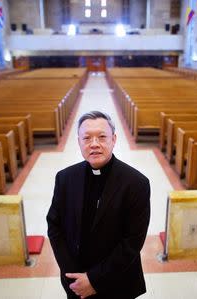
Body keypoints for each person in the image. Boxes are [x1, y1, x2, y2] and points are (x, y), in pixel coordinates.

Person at [47, 111, 151, 299]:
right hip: (76, 282)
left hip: (118, 282)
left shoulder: (136, 183)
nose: (94, 144)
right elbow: (54, 226)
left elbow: (132, 242)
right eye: (86, 138)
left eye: (102, 137)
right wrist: (73, 275)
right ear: (78, 142)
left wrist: (94, 281)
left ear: (114, 139)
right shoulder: (65, 178)